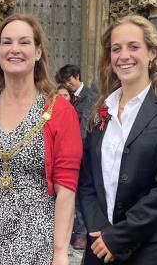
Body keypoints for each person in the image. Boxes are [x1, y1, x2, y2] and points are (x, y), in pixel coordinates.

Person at [0, 13, 82, 264]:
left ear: (38, 52)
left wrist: (60, 252)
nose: (14, 49)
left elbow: (66, 187)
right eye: (7, 42)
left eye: (24, 42)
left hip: (39, 244)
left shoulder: (59, 110)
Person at [78, 15, 157, 264]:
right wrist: (98, 226)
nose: (124, 56)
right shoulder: (101, 109)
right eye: (116, 49)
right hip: (101, 245)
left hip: (153, 247)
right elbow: (87, 177)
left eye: (133, 47)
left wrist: (119, 237)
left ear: (152, 52)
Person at [55, 64, 94, 250]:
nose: (67, 84)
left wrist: (75, 150)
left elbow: (85, 124)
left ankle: (81, 234)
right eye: (65, 81)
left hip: (81, 151)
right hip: (65, 151)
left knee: (81, 193)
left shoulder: (89, 94)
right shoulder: (67, 98)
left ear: (77, 76)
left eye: (69, 79)